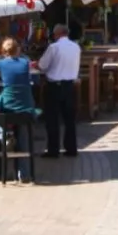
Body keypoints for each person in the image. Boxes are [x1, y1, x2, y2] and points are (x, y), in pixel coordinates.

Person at [0, 37, 39, 183]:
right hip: (26, 107)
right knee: (23, 133)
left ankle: (6, 135)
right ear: (18, 49)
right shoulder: (25, 63)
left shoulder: (0, 63)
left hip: (8, 105)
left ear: (3, 51)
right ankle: (25, 175)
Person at [37, 23, 81, 158]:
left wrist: (37, 65)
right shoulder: (76, 47)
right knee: (69, 119)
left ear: (58, 34)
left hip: (54, 86)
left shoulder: (54, 47)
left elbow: (42, 65)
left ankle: (53, 149)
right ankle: (71, 148)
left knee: (52, 119)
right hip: (70, 86)